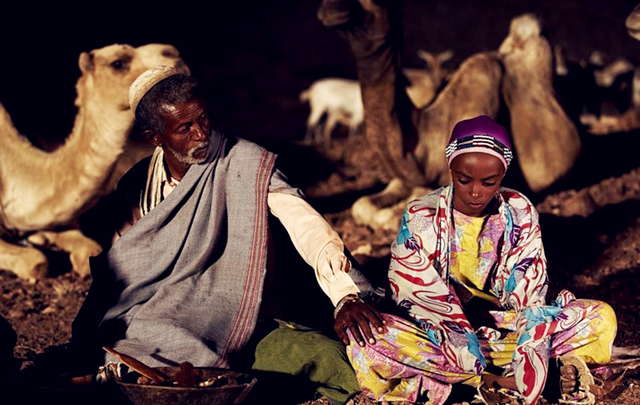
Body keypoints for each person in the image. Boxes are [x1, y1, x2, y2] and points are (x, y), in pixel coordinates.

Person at [70, 66, 375, 404]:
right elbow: (127, 266)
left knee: (335, 362)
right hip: (162, 317)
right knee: (123, 355)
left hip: (246, 318)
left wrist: (346, 295)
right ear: (155, 137)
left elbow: (306, 225)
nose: (200, 134)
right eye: (184, 128)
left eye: (203, 119)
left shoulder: (246, 162)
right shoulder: (138, 184)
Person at [333, 115, 617, 405]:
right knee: (369, 340)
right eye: (464, 179)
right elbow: (413, 295)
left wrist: (529, 351)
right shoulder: (421, 215)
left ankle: (472, 381)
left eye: (489, 182)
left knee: (599, 318)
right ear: (451, 168)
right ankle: (494, 381)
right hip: (436, 331)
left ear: (503, 176)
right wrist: (463, 345)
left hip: (503, 328)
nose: (475, 192)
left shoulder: (519, 210)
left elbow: (530, 295)